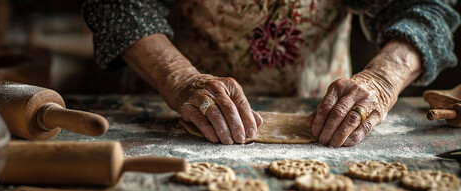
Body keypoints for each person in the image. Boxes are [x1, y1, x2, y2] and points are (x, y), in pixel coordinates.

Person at [82, 0, 459, 147]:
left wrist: (382, 81)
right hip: (169, 105)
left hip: (323, 110)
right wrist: (180, 79)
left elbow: (426, 7)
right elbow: (116, 5)